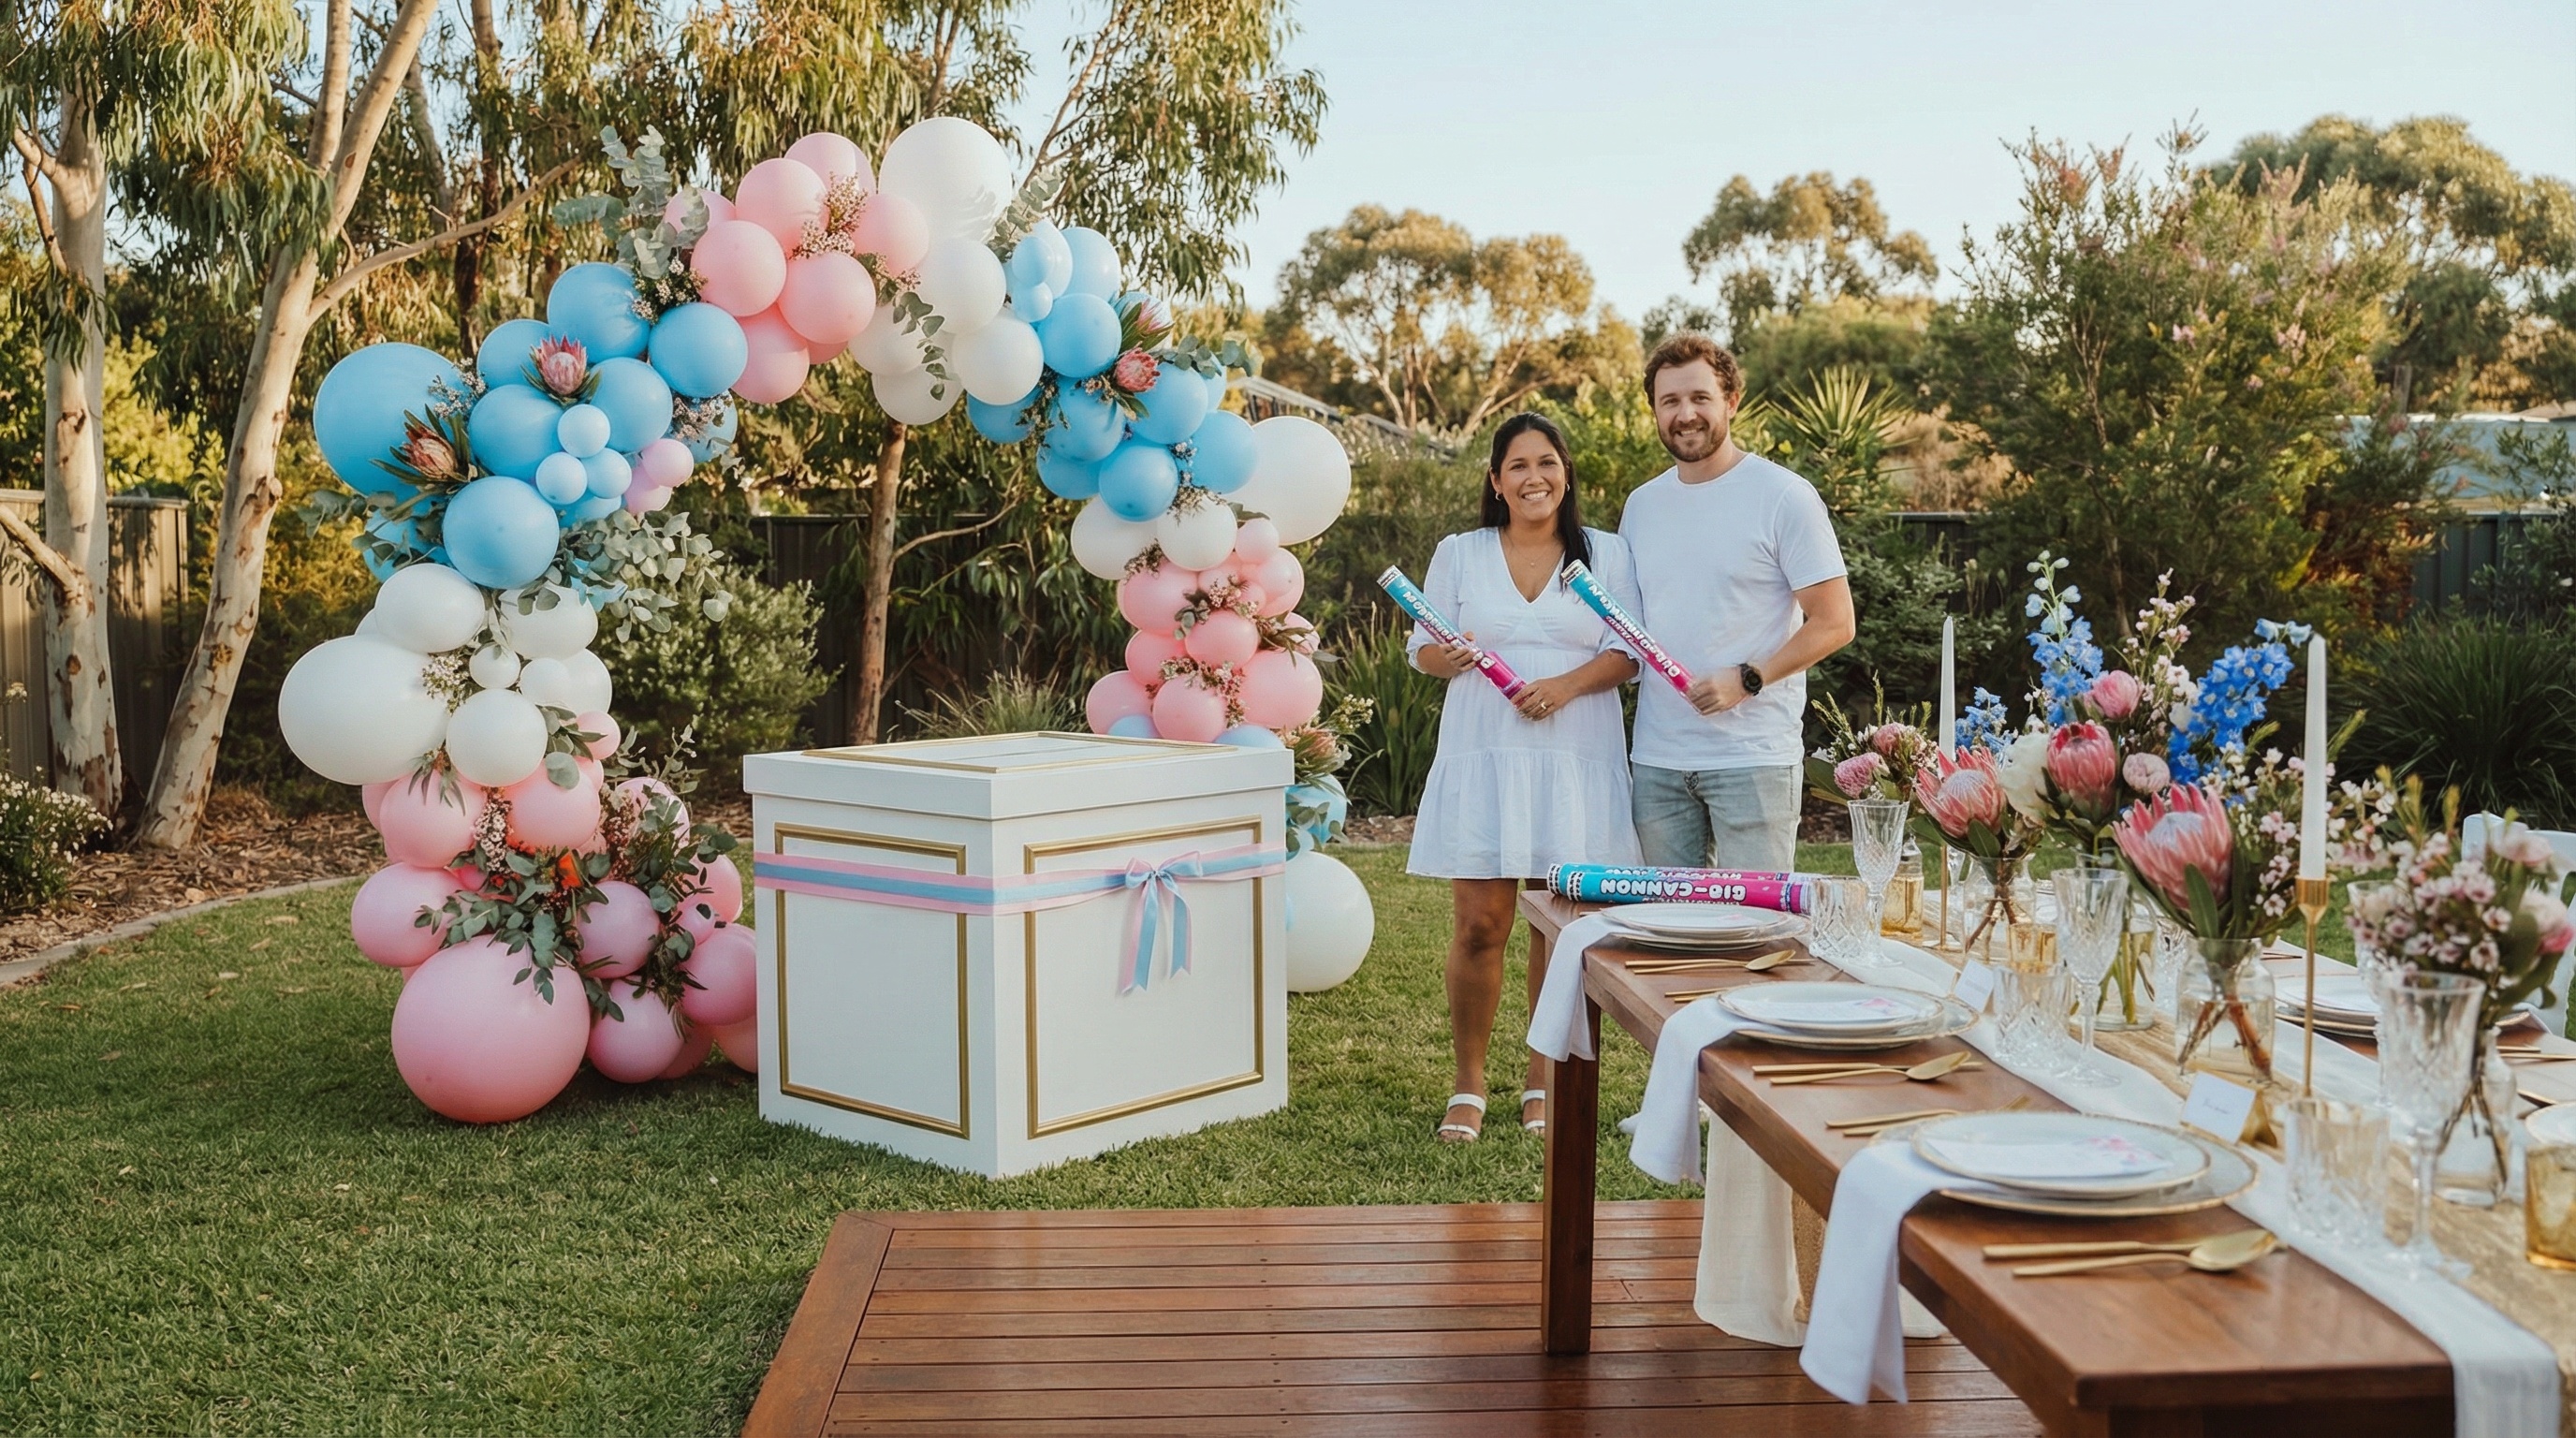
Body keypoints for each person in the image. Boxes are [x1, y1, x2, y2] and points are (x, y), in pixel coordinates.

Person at [1407, 412, 1642, 1143]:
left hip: (1574, 758)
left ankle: (1543, 1079)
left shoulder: (1606, 552)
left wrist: (1566, 686)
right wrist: (1450, 655)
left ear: (1565, 472)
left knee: (1555, 930)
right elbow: (1423, 648)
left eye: (1547, 462)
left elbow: (1630, 651)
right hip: (1486, 757)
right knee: (1482, 925)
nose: (1534, 477)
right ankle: (1469, 1084)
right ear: (1496, 480)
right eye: (1518, 466)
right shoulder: (1460, 552)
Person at [1619, 334, 1855, 873]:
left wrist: (1748, 678)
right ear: (1654, 410)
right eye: (1670, 401)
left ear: (1731, 401)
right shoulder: (1642, 506)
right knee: (1669, 938)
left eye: (1700, 398)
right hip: (1658, 762)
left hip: (1752, 760)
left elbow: (1835, 621)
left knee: (1759, 935)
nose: (1685, 414)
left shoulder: (1783, 495)